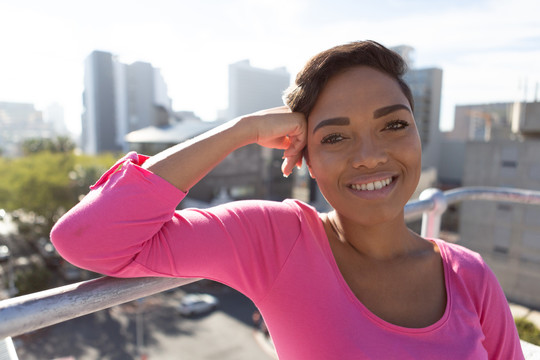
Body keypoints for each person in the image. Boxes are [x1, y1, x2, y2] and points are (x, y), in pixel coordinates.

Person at [51, 40, 524, 359]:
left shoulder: (470, 274)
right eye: (335, 137)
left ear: (419, 136)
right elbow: (88, 239)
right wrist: (241, 131)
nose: (369, 156)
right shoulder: (277, 241)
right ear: (305, 158)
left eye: (394, 125)